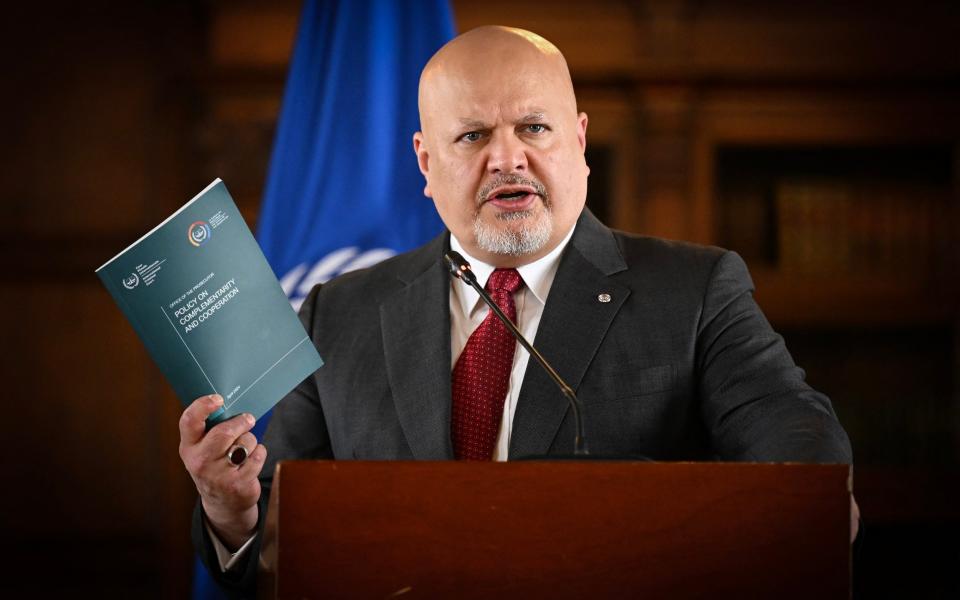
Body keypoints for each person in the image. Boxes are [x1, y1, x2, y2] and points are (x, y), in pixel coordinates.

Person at [179, 25, 859, 595]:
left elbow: (802, 456)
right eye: (472, 136)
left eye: (534, 126)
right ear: (425, 160)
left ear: (580, 141)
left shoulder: (697, 289)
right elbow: (274, 542)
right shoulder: (341, 312)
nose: (508, 158)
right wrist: (228, 509)